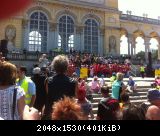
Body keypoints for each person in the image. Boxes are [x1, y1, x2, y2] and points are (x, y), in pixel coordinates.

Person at [43, 55, 78, 120]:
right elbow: (74, 98)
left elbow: (49, 96)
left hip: (52, 113)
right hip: (67, 114)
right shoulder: (74, 82)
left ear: (54, 67)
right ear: (66, 67)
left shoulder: (48, 81)